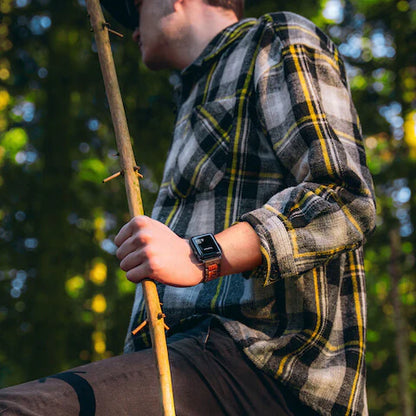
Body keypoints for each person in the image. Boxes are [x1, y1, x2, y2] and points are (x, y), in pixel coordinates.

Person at [0, 0, 376, 415]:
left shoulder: (276, 39)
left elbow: (343, 195)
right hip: (193, 367)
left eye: (130, 8)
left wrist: (200, 255)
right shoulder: (193, 96)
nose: (131, 28)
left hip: (267, 369)